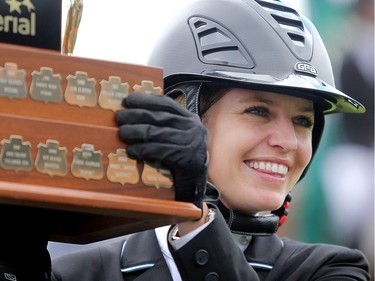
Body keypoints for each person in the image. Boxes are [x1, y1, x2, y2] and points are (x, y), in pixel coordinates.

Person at [0, 0, 371, 280]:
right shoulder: (82, 271)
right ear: (180, 111)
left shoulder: (334, 269)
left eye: (303, 120)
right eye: (258, 110)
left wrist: (197, 214)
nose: (288, 141)